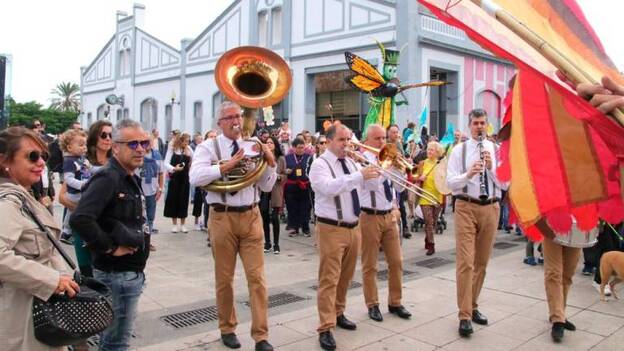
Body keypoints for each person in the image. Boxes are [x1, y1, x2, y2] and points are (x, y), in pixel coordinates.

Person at [189, 101, 277, 351]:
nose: (236, 121)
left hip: (251, 215)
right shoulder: (208, 147)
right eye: (229, 117)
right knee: (224, 278)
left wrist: (269, 162)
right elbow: (195, 178)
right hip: (222, 217)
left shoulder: (253, 145)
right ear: (220, 123)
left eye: (238, 116)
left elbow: (267, 186)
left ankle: (261, 336)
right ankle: (227, 328)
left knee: (257, 278)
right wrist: (225, 166)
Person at [70, 119, 151, 351]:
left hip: (129, 273)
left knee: (115, 341)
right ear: (116, 147)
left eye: (143, 143)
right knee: (115, 344)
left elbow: (120, 217)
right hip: (117, 275)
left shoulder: (127, 174)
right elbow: (81, 218)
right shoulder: (109, 177)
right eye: (132, 144)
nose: (140, 149)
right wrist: (110, 247)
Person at [0, 126, 79, 351]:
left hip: (37, 310)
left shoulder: (24, 195)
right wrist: (52, 280)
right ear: (5, 161)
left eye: (43, 155)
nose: (41, 162)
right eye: (32, 156)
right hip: (23, 315)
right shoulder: (8, 202)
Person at [309, 124, 380, 351]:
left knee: (346, 277)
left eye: (349, 139)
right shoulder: (320, 164)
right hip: (331, 228)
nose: (348, 144)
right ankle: (325, 326)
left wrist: (379, 167)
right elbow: (329, 188)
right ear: (329, 141)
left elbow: (372, 186)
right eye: (342, 140)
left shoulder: (351, 162)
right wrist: (359, 175)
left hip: (353, 227)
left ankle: (338, 312)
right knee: (329, 279)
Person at [446, 108, 507, 337]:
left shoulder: (497, 150)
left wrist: (491, 169)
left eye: (483, 123)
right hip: (465, 206)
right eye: (475, 123)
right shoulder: (459, 151)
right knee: (466, 262)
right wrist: (468, 174)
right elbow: (451, 182)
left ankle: (472, 305)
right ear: (470, 125)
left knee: (481, 262)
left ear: (487, 125)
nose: (479, 127)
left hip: (491, 206)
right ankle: (464, 315)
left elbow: (506, 184)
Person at [358, 124, 411, 324]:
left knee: (396, 261)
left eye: (384, 138)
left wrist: (400, 170)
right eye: (378, 138)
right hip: (369, 216)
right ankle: (372, 304)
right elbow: (372, 185)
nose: (382, 142)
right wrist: (385, 165)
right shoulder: (362, 159)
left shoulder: (388, 157)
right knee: (370, 264)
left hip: (389, 215)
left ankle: (395, 302)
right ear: (368, 141)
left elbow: (398, 187)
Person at [59, 129, 91, 243]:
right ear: (69, 147)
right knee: (78, 210)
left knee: (72, 212)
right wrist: (82, 185)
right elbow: (68, 179)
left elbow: (87, 172)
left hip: (82, 190)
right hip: (76, 192)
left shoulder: (81, 160)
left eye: (85, 145)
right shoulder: (69, 161)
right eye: (81, 145)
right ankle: (67, 231)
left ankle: (67, 231)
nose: (84, 147)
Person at [415, 141, 445, 255]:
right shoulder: (422, 163)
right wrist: (419, 178)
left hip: (437, 196)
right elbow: (415, 177)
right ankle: (431, 246)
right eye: (428, 149)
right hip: (425, 196)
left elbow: (445, 181)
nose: (429, 151)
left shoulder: (441, 164)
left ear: (437, 152)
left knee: (434, 222)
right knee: (429, 221)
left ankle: (428, 237)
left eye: (431, 150)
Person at [163, 133, 193, 233]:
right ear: (180, 140)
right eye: (185, 141)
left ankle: (183, 224)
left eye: (188, 141)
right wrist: (174, 168)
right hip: (175, 178)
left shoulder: (189, 149)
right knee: (173, 200)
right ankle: (174, 224)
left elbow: (194, 161)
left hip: (185, 179)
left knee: (184, 200)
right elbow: (166, 163)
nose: (187, 143)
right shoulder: (172, 149)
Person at [261, 136, 285, 254]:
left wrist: (278, 177)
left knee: (275, 218)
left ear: (275, 144)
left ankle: (276, 244)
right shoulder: (262, 158)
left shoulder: (281, 159)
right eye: (267, 142)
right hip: (264, 192)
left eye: (271, 142)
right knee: (264, 217)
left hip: (276, 190)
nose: (269, 144)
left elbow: (285, 175)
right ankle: (267, 243)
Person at [140, 133, 164, 251]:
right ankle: (139, 242)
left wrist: (160, 189)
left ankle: (147, 241)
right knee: (139, 217)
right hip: (139, 191)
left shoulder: (157, 155)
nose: (147, 144)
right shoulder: (138, 154)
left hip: (152, 191)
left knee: (150, 217)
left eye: (149, 141)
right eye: (144, 141)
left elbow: (161, 173)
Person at [284, 138, 313, 237]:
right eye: (299, 148)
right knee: (292, 208)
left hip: (304, 186)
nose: (301, 150)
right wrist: (286, 171)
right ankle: (293, 228)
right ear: (293, 148)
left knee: (305, 208)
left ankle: (305, 228)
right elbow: (282, 170)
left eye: (302, 148)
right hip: (291, 186)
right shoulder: (287, 158)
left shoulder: (308, 157)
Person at [387, 124, 410, 238]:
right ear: (388, 133)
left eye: (397, 132)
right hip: (389, 175)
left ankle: (405, 226)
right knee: (393, 205)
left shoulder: (399, 143)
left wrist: (405, 160)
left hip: (399, 176)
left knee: (401, 204)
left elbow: (403, 159)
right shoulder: (386, 145)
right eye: (393, 132)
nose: (396, 134)